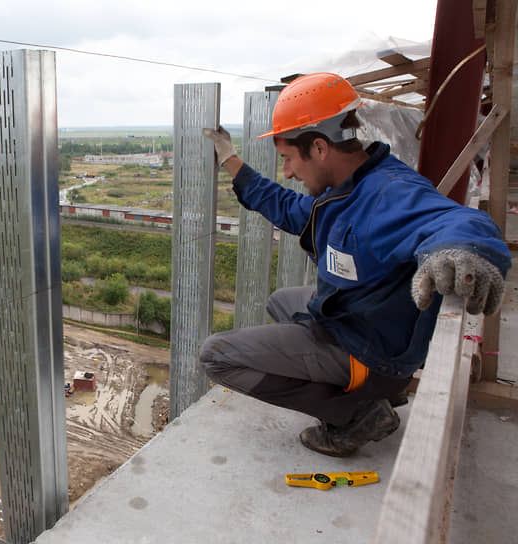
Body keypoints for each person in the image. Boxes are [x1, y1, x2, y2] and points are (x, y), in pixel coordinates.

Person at [200, 72, 511, 457]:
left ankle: (356, 413)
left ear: (319, 148)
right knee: (281, 300)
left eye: (289, 160)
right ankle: (355, 389)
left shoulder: (387, 192)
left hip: (373, 351)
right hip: (361, 320)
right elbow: (285, 205)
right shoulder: (346, 192)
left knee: (217, 355)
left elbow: (457, 221)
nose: (289, 173)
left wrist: (464, 250)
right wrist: (231, 160)